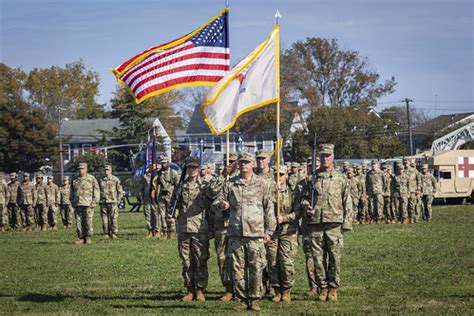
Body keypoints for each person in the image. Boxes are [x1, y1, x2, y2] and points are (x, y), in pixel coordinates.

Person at [219, 152, 276, 312]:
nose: (244, 165)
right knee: (238, 269)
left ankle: (255, 299)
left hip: (256, 233)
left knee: (256, 267)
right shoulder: (231, 184)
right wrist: (222, 204)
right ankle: (242, 299)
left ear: (252, 164)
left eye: (247, 162)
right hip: (236, 233)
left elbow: (269, 208)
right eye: (241, 162)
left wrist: (269, 231)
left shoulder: (262, 184)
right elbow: (219, 201)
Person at [300, 144, 353, 302]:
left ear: (333, 157)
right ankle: (322, 288)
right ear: (319, 158)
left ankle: (333, 288)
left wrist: (347, 224)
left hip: (334, 223)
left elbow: (347, 201)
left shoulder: (340, 178)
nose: (325, 158)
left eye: (328, 155)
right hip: (315, 223)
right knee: (317, 258)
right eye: (323, 156)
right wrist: (306, 207)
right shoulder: (311, 179)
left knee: (334, 257)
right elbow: (303, 199)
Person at [176, 157, 212, 302]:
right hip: (183, 227)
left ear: (199, 168)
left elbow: (212, 200)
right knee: (186, 261)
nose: (192, 170)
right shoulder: (180, 185)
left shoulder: (205, 185)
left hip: (200, 228)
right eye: (189, 167)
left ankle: (200, 290)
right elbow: (175, 204)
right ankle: (189, 289)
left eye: (194, 167)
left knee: (200, 260)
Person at [208, 152, 238, 302]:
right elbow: (211, 192)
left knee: (239, 258)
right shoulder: (219, 179)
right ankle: (228, 288)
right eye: (227, 162)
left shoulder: (240, 178)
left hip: (238, 225)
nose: (229, 164)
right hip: (221, 224)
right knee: (222, 258)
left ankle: (240, 288)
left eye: (232, 162)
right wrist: (222, 176)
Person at [271, 165, 301, 303]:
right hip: (272, 232)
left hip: (288, 231)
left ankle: (287, 290)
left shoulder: (293, 193)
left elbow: (297, 212)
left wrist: (285, 218)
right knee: (272, 262)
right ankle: (277, 290)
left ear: (286, 176)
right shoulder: (269, 192)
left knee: (286, 262)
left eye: (281, 175)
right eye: (276, 175)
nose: (279, 178)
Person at [295, 161, 318, 298]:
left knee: (324, 256)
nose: (312, 168)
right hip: (307, 225)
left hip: (322, 224)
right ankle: (313, 286)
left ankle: (326, 285)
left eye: (314, 165)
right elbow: (297, 202)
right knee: (309, 255)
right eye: (310, 166)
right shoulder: (302, 184)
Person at [71, 163, 100, 244]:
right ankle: (81, 237)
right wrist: (72, 201)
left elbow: (96, 191)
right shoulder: (75, 179)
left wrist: (94, 202)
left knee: (88, 221)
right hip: (78, 203)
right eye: (79, 168)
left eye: (82, 168)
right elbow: (72, 191)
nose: (81, 170)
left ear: (86, 169)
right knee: (79, 221)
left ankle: (88, 237)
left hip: (88, 203)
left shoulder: (91, 179)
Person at [99, 165, 124, 239]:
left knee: (113, 218)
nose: (106, 171)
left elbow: (120, 191)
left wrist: (118, 200)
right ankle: (106, 233)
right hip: (103, 202)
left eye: (108, 170)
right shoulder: (101, 180)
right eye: (105, 170)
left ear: (111, 170)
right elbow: (98, 190)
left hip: (113, 201)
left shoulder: (115, 179)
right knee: (104, 218)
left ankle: (113, 233)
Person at [157, 156, 180, 239]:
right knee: (162, 214)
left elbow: (177, 184)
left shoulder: (173, 172)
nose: (163, 165)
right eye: (162, 163)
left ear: (168, 163)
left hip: (171, 195)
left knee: (171, 214)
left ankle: (172, 231)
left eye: (164, 163)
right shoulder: (159, 173)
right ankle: (164, 230)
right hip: (161, 196)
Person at [142, 167, 159, 238]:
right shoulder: (145, 176)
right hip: (147, 198)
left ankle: (157, 230)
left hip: (155, 199)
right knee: (148, 214)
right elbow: (142, 186)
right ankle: (150, 230)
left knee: (155, 214)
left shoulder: (157, 175)